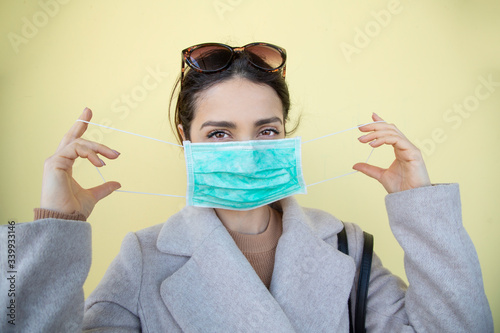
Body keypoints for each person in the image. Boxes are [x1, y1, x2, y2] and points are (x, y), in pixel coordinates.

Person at [1, 42, 493, 332]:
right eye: (219, 134)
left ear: (286, 134)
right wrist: (56, 225)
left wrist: (419, 204)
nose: (247, 151)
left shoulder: (349, 247)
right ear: (185, 139)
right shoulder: (143, 257)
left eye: (266, 131)